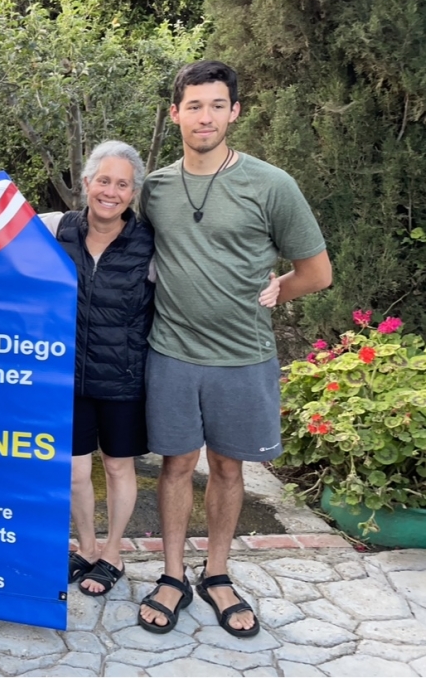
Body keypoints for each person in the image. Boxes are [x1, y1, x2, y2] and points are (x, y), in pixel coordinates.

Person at [136, 60, 332, 637]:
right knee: (174, 467)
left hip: (243, 356)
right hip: (171, 352)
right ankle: (172, 576)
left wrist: (280, 289)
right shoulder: (156, 188)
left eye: (216, 105)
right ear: (175, 114)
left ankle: (216, 574)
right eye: (193, 105)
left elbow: (316, 272)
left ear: (234, 112)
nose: (205, 116)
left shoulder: (273, 185)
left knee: (227, 468)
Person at [40, 141, 280, 599]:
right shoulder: (56, 230)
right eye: (103, 181)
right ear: (86, 183)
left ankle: (113, 553)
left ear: (135, 193)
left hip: (125, 377)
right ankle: (86, 547)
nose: (111, 191)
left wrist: (269, 282)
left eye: (122, 184)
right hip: (67, 376)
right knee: (73, 470)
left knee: (116, 466)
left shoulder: (149, 244)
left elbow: (205, 273)